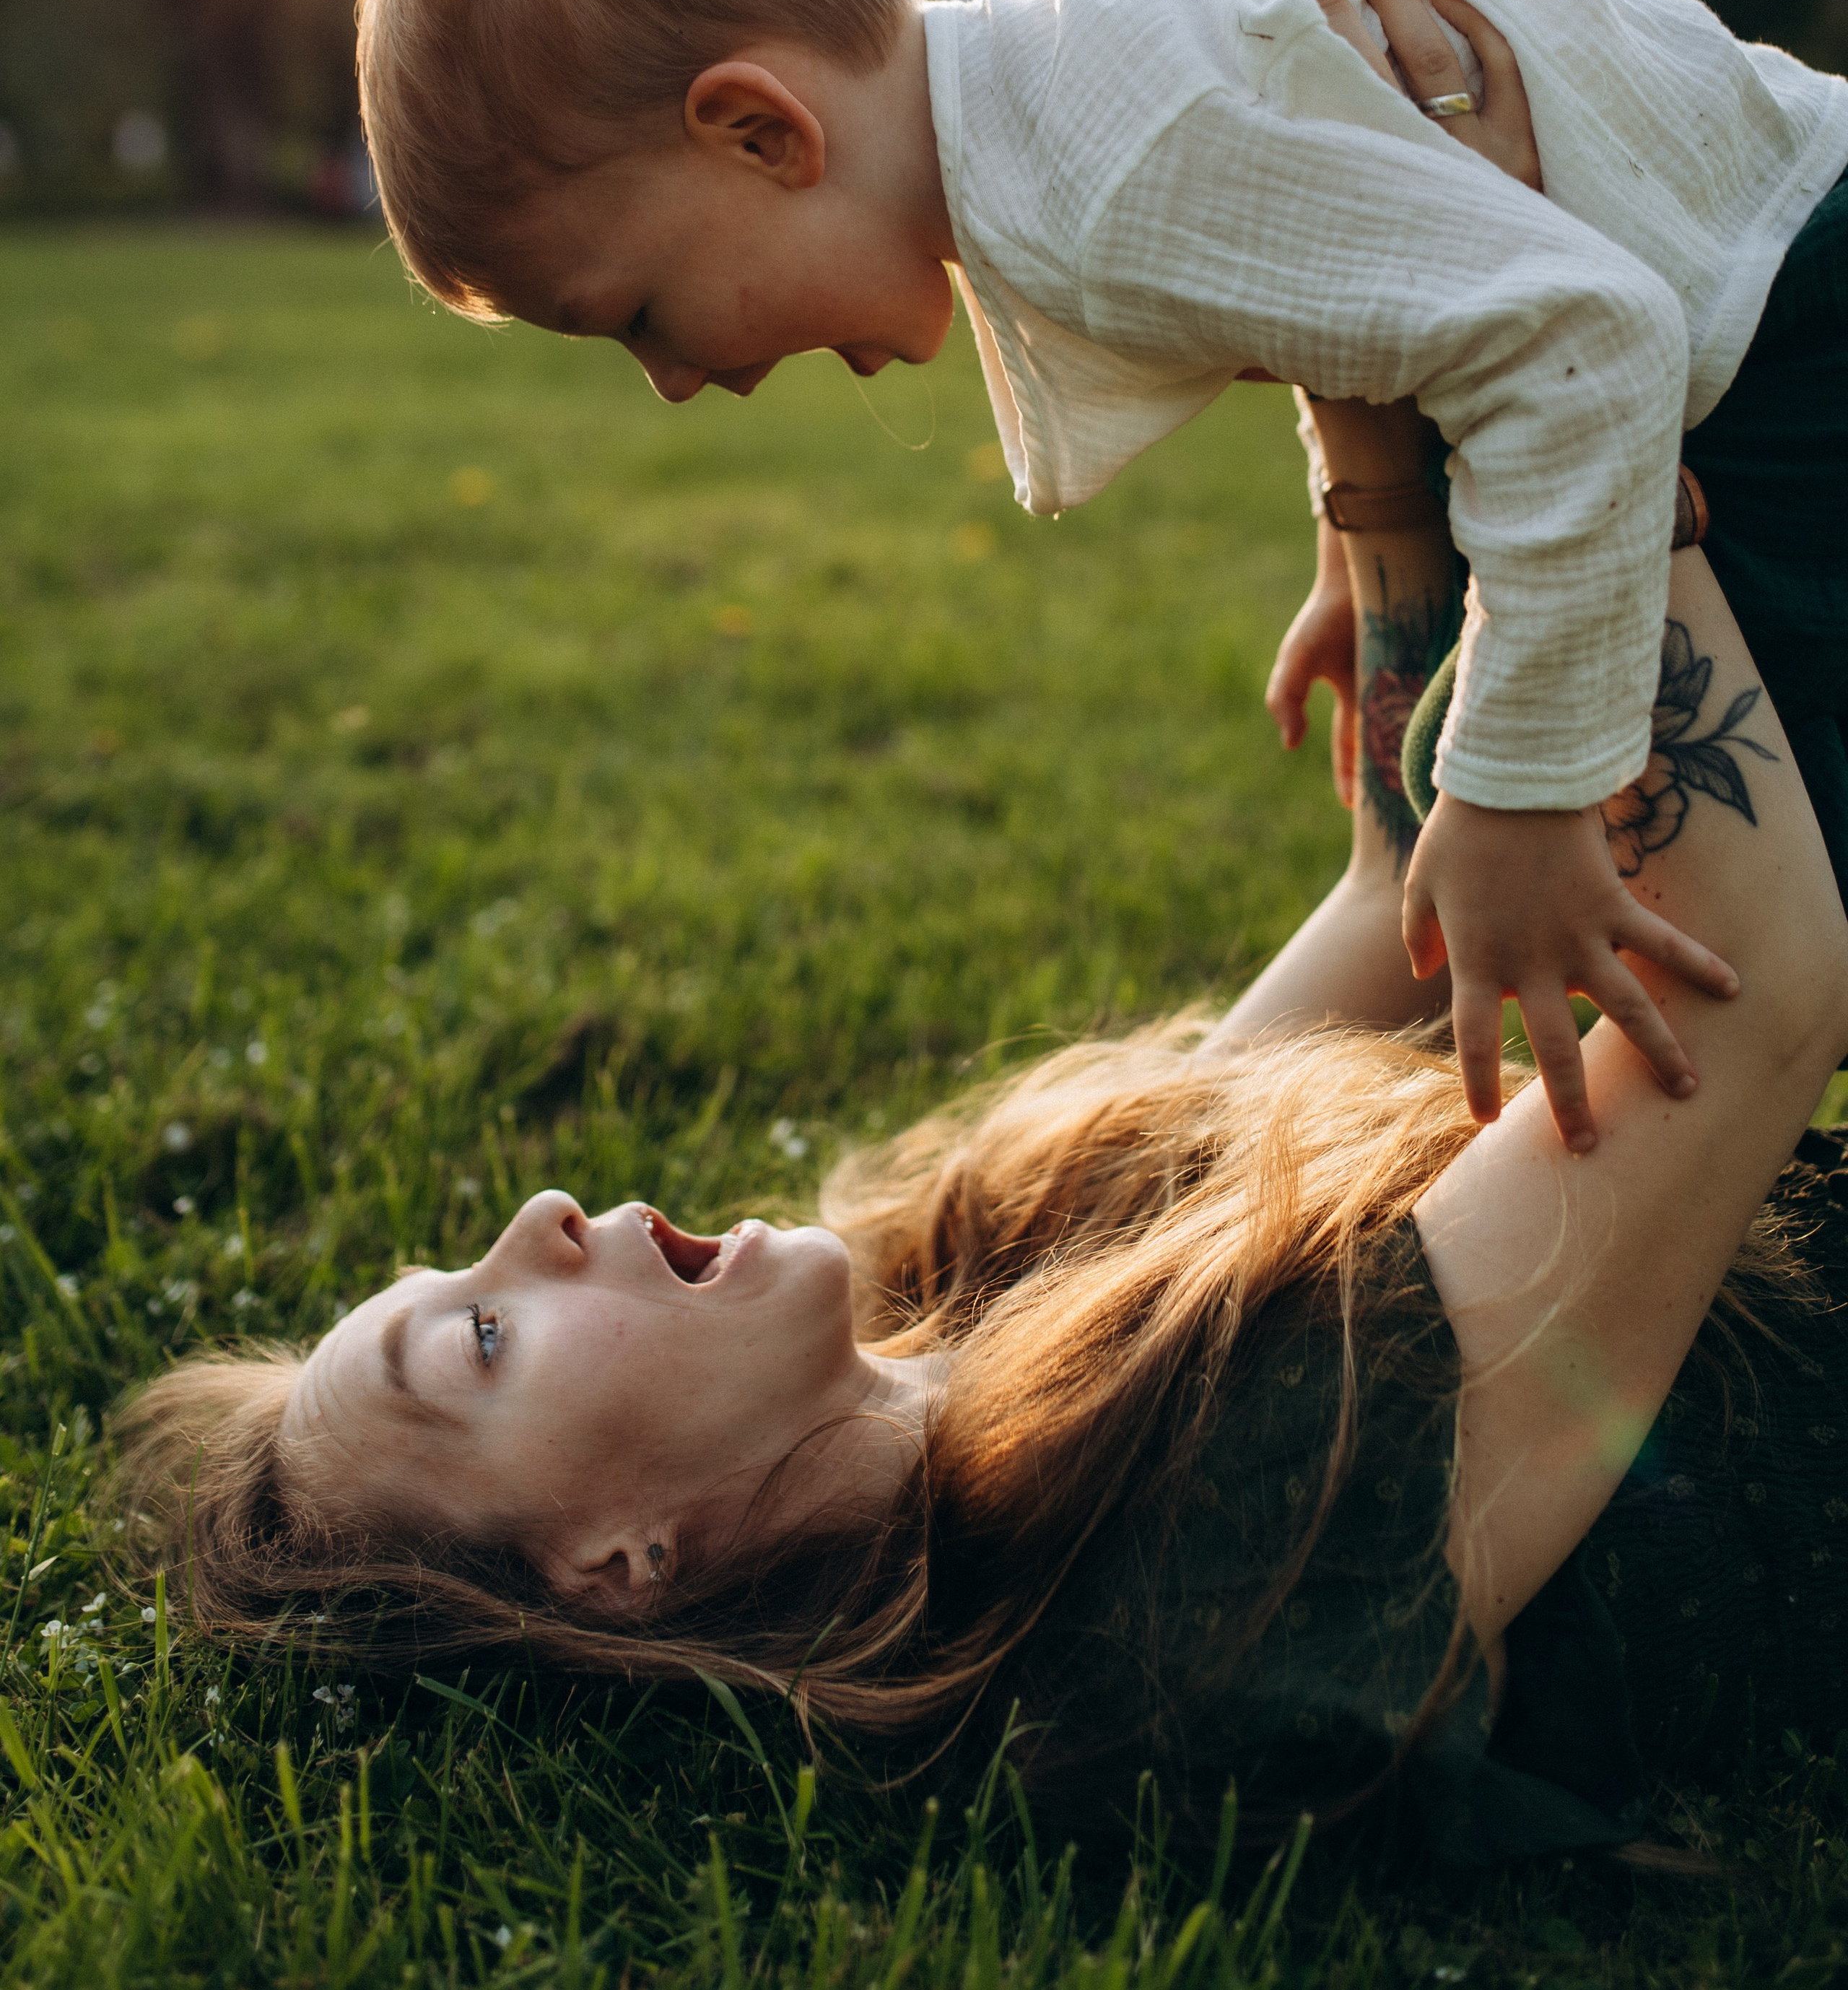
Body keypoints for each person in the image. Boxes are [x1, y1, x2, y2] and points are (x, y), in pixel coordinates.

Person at [118, 414, 1848, 1867]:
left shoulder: (1012, 1286)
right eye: (479, 1337)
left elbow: (1399, 890)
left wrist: (1373, 438)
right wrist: (1571, 411)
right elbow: (1751, 991)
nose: (542, 1213)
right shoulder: (1171, 1593)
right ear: (615, 1564)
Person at [353, 0, 1848, 1150]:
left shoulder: (1098, 179)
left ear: (759, 132)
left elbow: (1583, 337)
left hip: (1795, 338)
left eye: (638, 316)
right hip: (1759, 304)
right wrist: (1362, 548)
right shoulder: (1052, 76)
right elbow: (1361, 277)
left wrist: (1522, 798)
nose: (674, 382)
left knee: (1748, 857)